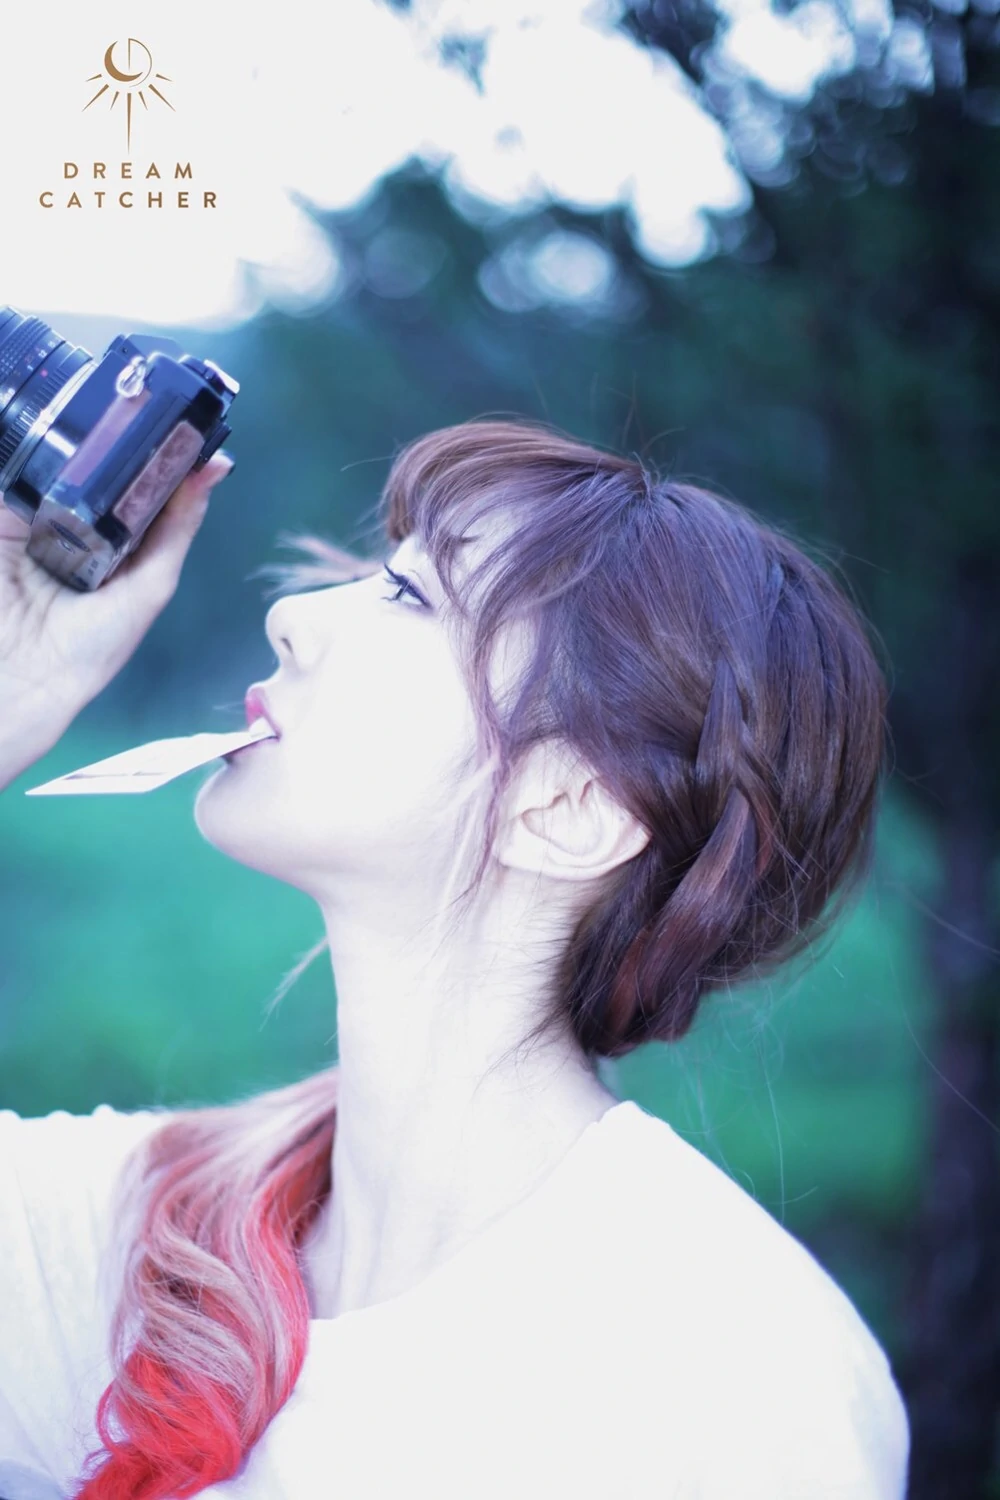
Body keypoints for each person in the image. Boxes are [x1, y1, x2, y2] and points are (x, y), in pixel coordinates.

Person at [0, 417, 910, 1500]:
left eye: (410, 597)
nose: (289, 617)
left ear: (567, 807)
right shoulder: (135, 1238)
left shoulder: (735, 1382)